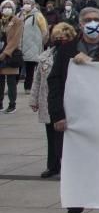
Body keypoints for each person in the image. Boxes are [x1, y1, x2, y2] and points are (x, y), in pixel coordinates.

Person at [50, 8, 99, 213]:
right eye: (88, 20)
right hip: (74, 116)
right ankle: (74, 212)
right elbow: (55, 82)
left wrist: (91, 63)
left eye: (96, 20)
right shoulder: (66, 50)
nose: (92, 23)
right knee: (74, 164)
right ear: (80, 24)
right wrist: (57, 115)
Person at [30, 22, 76, 177]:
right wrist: (33, 99)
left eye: (64, 36)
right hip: (47, 99)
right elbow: (37, 79)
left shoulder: (73, 55)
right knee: (51, 135)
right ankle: (53, 165)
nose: (60, 38)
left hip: (65, 99)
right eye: (57, 36)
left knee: (66, 137)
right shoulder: (45, 56)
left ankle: (69, 165)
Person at [19, 0, 49, 94]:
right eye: (25, 3)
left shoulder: (38, 15)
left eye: (29, 3)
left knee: (30, 68)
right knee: (17, 66)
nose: (26, 5)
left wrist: (41, 43)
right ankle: (13, 86)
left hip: (33, 45)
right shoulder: (19, 14)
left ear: (33, 4)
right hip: (20, 45)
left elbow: (44, 30)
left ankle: (27, 87)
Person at [1, 0, 24, 113]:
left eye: (9, 7)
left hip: (11, 54)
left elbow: (15, 39)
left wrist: (5, 53)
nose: (7, 9)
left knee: (10, 81)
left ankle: (12, 105)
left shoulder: (17, 21)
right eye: (5, 7)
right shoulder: (1, 21)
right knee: (0, 81)